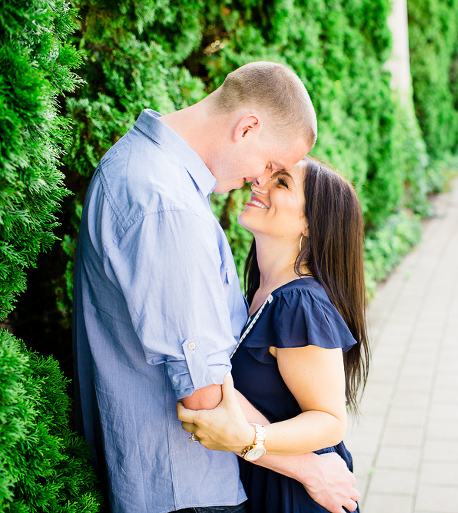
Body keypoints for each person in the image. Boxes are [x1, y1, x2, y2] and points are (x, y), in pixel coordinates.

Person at [73, 61, 359, 513]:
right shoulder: (168, 206)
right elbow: (205, 396)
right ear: (247, 128)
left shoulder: (150, 175)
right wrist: (308, 468)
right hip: (185, 486)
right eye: (270, 165)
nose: (259, 179)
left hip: (192, 483)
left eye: (278, 176)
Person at [177, 157, 369, 513]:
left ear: (311, 223)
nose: (258, 182)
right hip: (269, 481)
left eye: (281, 182)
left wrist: (250, 438)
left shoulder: (300, 303)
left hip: (296, 496)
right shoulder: (263, 292)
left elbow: (330, 421)